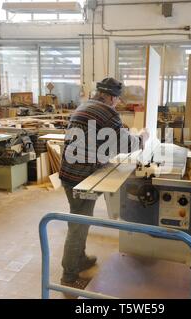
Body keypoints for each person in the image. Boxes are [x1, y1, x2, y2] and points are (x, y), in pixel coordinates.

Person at [59, 77, 148, 289]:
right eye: (116, 98)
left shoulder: (86, 105)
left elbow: (101, 140)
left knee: (80, 219)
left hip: (69, 173)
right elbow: (124, 143)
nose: (117, 102)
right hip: (80, 178)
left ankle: (78, 259)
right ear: (109, 96)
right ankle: (69, 276)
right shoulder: (107, 112)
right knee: (78, 225)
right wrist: (142, 138)